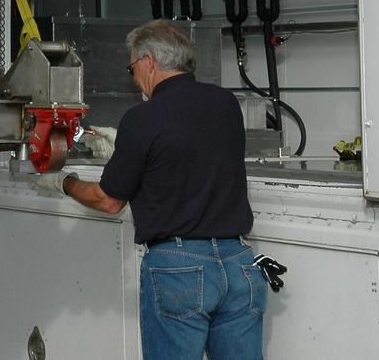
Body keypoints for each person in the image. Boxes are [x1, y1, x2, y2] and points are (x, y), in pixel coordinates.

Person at [32, 19, 266, 359]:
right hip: (239, 264)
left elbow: (109, 201)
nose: (135, 77)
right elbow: (187, 153)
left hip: (179, 267)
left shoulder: (143, 118)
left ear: (149, 62)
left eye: (132, 68)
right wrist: (127, 148)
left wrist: (62, 182)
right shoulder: (227, 105)